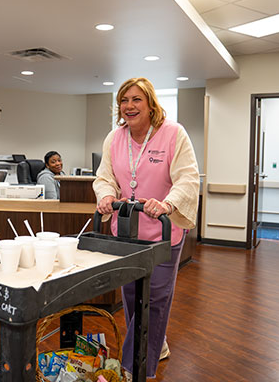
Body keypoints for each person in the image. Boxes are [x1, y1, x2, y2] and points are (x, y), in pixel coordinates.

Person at [93, 77, 199, 379]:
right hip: (127, 232)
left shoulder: (173, 134)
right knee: (131, 296)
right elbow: (105, 177)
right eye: (124, 100)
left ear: (151, 104)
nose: (129, 106)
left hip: (163, 233)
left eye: (136, 99)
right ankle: (156, 344)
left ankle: (132, 369)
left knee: (154, 299)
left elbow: (188, 178)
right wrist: (106, 195)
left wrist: (167, 204)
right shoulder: (114, 138)